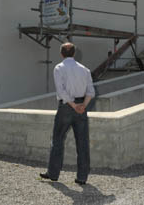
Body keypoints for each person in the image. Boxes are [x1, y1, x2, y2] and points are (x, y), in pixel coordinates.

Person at [40, 42, 95, 185]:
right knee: (82, 143)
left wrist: (73, 105)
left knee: (57, 140)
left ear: (61, 54)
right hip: (81, 107)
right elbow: (91, 92)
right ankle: (82, 177)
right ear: (74, 53)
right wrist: (83, 106)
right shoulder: (85, 70)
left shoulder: (59, 68)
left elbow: (61, 91)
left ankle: (53, 174)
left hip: (66, 107)